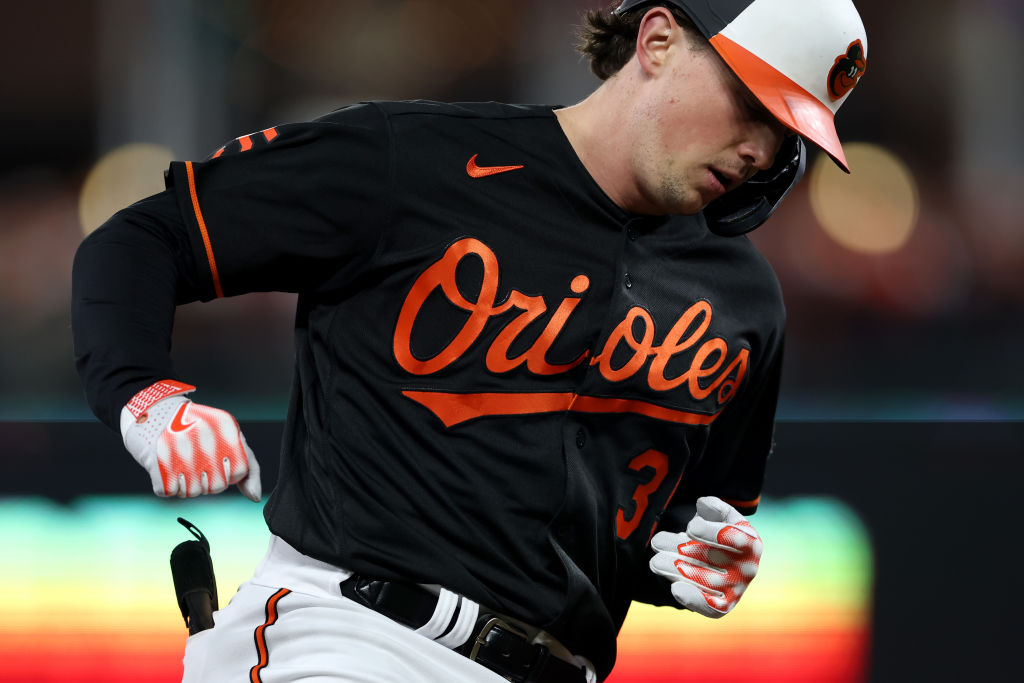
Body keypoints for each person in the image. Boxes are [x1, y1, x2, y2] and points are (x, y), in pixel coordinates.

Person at [71, 0, 867, 681]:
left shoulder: (744, 299)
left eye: (786, 130)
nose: (762, 149)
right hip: (351, 635)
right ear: (657, 40)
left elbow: (657, 520)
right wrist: (141, 391)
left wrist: (700, 557)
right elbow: (147, 238)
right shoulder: (411, 161)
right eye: (751, 103)